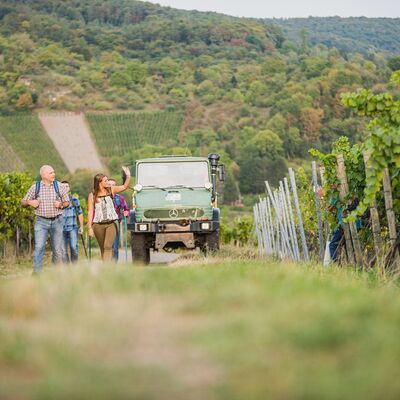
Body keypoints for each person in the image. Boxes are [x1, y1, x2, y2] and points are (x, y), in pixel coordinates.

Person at [21, 165, 70, 274]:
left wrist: (61, 205)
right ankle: (37, 273)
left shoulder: (59, 186)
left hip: (57, 221)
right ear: (44, 175)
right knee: (39, 247)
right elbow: (23, 202)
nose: (54, 174)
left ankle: (56, 272)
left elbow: (67, 202)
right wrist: (30, 202)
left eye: (54, 172)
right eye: (51, 173)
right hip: (41, 222)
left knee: (57, 249)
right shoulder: (35, 187)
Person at [87, 167, 131, 262]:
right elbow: (90, 211)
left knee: (107, 246)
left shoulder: (112, 190)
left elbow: (124, 187)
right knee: (102, 248)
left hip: (112, 223)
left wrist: (128, 176)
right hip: (98, 224)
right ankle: (105, 268)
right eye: (105, 181)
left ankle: (107, 267)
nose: (107, 182)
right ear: (99, 182)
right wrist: (89, 228)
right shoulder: (92, 195)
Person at [61, 180, 84, 264]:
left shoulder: (74, 200)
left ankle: (74, 267)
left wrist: (81, 227)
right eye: (62, 186)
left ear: (69, 188)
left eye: (66, 186)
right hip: (60, 229)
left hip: (72, 228)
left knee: (74, 247)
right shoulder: (56, 201)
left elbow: (80, 213)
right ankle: (67, 271)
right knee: (63, 251)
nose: (65, 188)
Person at [108, 179, 130, 262]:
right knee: (106, 246)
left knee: (115, 247)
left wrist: (126, 213)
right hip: (104, 223)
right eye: (109, 184)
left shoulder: (120, 198)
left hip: (115, 223)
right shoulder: (101, 197)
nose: (111, 186)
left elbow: (126, 209)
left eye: (113, 185)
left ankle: (114, 266)